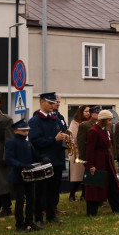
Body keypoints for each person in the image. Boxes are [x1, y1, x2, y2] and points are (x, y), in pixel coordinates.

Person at [28, 92, 68, 225]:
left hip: (57, 159)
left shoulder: (56, 119)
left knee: (54, 190)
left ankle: (51, 215)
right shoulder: (35, 121)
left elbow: (62, 134)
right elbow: (35, 141)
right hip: (43, 161)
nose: (53, 105)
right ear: (41, 102)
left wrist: (65, 139)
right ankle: (38, 217)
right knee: (40, 191)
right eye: (50, 103)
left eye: (53, 103)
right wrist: (54, 139)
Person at [84, 110, 119, 215]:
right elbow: (89, 150)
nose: (110, 122)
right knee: (94, 186)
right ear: (103, 120)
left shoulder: (104, 130)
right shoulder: (93, 131)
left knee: (113, 184)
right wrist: (90, 165)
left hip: (106, 161)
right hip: (97, 161)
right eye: (109, 120)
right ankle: (92, 212)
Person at [4, 119, 40, 232]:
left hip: (30, 176)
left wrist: (43, 158)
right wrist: (22, 165)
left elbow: (35, 156)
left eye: (27, 131)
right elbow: (9, 159)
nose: (26, 133)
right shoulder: (11, 142)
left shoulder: (28, 143)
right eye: (23, 131)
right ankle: (19, 224)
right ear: (15, 131)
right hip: (17, 176)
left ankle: (30, 222)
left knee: (31, 199)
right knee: (20, 201)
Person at [67, 104, 92, 202]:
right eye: (86, 111)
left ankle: (84, 195)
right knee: (77, 176)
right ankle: (72, 195)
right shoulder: (75, 123)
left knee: (85, 176)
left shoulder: (87, 122)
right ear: (81, 112)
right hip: (77, 152)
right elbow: (75, 138)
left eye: (89, 111)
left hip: (85, 152)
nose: (88, 113)